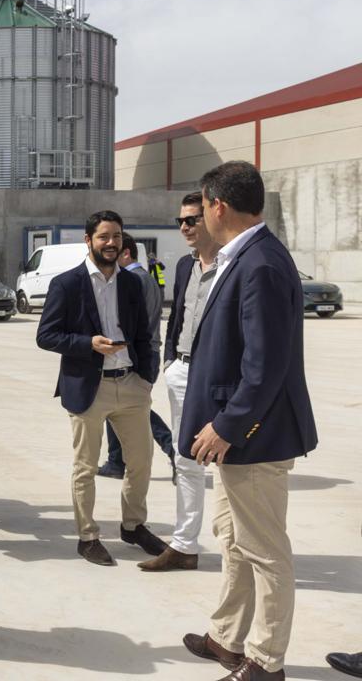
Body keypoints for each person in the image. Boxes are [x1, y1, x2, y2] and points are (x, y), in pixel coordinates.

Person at [181, 161, 318, 681]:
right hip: (239, 435)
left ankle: (264, 661)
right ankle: (226, 636)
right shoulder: (246, 256)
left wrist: (228, 426)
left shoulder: (259, 263)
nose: (197, 220)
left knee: (265, 551)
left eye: (201, 208)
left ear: (218, 205)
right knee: (232, 538)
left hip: (255, 437)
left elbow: (265, 366)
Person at [36, 210, 166, 566]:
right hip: (89, 388)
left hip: (131, 384)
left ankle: (133, 525)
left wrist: (146, 376)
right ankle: (88, 536)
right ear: (88, 240)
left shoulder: (131, 283)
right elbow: (45, 336)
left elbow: (143, 333)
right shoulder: (67, 284)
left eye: (117, 236)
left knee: (141, 461)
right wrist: (87, 343)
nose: (111, 243)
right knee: (85, 466)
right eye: (104, 237)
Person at [138, 191, 222, 573]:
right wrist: (171, 360)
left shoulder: (231, 266)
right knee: (185, 460)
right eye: (181, 221)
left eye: (192, 220)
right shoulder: (185, 268)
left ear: (213, 216)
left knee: (228, 464)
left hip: (220, 378)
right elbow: (176, 317)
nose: (185, 227)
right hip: (183, 372)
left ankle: (237, 550)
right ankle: (185, 545)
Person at [98, 232, 175, 481]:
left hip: (138, 354)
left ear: (126, 253)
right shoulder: (147, 278)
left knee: (134, 409)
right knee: (117, 407)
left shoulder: (133, 280)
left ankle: (171, 447)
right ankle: (116, 461)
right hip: (148, 351)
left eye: (115, 252)